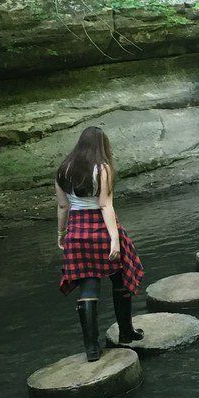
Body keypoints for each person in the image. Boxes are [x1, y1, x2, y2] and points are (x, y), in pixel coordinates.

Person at [55, 127, 144, 361]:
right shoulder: (102, 168)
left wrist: (61, 233)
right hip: (100, 229)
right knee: (122, 275)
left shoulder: (63, 168)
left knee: (88, 288)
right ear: (101, 145)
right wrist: (114, 238)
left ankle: (92, 350)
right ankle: (126, 332)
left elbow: (63, 206)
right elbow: (105, 205)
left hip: (76, 233)